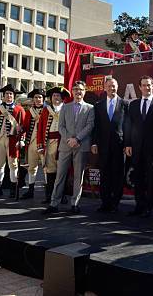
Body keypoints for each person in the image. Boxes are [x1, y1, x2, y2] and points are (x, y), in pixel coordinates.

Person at [43, 80, 95, 214]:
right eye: (76, 89)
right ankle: (54, 203)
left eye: (81, 89)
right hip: (66, 146)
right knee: (60, 176)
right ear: (72, 91)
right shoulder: (65, 107)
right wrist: (69, 139)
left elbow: (90, 126)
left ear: (85, 91)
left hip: (81, 145)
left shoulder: (90, 108)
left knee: (79, 176)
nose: (78, 92)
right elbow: (61, 126)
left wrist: (77, 139)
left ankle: (75, 204)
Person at [124, 75, 153, 217]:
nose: (146, 87)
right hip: (136, 149)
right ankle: (139, 205)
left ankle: (149, 207)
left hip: (152, 149)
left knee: (151, 179)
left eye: (149, 85)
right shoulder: (133, 104)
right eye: (144, 85)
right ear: (139, 87)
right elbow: (128, 125)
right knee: (138, 177)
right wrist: (128, 144)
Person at [91, 78, 129, 213]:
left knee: (117, 175)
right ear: (104, 88)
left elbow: (128, 127)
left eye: (113, 86)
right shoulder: (98, 105)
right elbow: (96, 126)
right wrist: (94, 142)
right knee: (105, 174)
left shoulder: (125, 104)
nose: (111, 89)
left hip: (119, 146)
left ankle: (115, 203)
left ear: (117, 87)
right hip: (103, 146)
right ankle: (105, 202)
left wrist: (127, 144)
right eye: (108, 86)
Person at [37, 86, 70, 204]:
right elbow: (40, 128)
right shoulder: (46, 110)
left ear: (62, 98)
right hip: (49, 144)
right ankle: (49, 195)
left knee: (63, 171)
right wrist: (40, 145)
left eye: (58, 96)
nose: (56, 98)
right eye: (54, 96)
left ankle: (63, 195)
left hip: (63, 144)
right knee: (50, 171)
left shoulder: (67, 109)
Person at [19, 88, 45, 199]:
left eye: (40, 97)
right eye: (35, 97)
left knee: (46, 168)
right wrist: (20, 129)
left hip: (43, 144)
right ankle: (30, 190)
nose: (38, 99)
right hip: (31, 142)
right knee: (32, 168)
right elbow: (25, 126)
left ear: (43, 99)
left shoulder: (48, 110)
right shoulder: (30, 112)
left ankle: (49, 192)